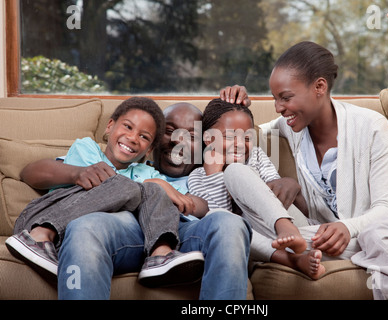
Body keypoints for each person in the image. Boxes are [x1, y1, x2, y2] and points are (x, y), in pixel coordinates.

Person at [223, 41, 388, 299]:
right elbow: (244, 136)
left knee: (381, 234)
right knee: (249, 225)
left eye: (285, 97)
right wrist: (238, 106)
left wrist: (347, 227)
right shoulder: (291, 126)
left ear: (319, 87)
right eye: (275, 98)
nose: (278, 107)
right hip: (351, 234)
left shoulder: (370, 126)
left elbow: (384, 207)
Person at [19, 100, 252, 300]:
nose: (178, 141)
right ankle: (42, 233)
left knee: (230, 223)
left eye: (190, 136)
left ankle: (161, 253)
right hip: (116, 231)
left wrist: (184, 196)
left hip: (178, 235)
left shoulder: (203, 172)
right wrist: (151, 186)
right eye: (169, 131)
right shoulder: (114, 163)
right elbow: (34, 171)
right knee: (87, 225)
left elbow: (203, 204)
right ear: (154, 145)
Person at [188, 98, 325, 279]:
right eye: (229, 136)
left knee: (239, 172)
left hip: (285, 226)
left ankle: (289, 232)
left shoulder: (256, 157)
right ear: (208, 138)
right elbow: (222, 221)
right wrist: (215, 176)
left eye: (247, 138)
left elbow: (276, 196)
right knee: (232, 227)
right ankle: (294, 260)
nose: (239, 144)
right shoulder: (197, 176)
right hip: (260, 242)